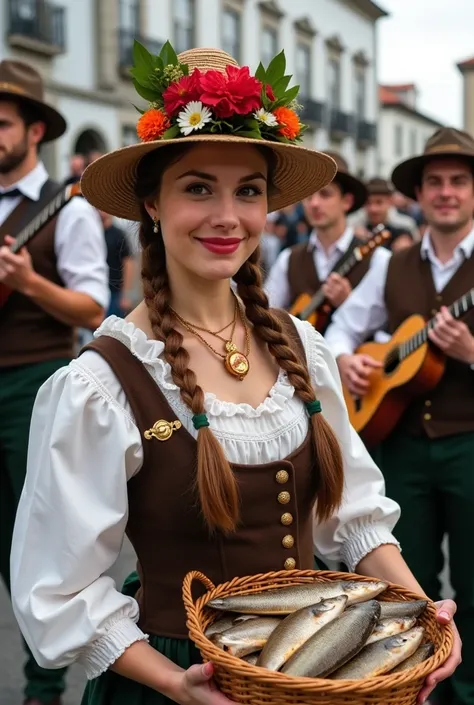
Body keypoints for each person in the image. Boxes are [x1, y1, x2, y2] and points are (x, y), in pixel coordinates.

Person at [10, 44, 459, 705]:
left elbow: (355, 517)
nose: (228, 217)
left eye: (248, 190)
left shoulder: (300, 348)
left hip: (312, 673)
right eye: (198, 187)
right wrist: (175, 682)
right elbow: (59, 588)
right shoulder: (103, 383)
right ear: (152, 206)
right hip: (175, 678)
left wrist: (425, 619)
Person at [325, 126, 474, 705]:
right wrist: (346, 360)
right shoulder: (391, 264)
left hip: (468, 443)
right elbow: (341, 327)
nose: (445, 192)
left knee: (473, 581)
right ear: (418, 193)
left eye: (458, 181)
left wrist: (468, 353)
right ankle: (412, 689)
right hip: (400, 447)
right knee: (404, 586)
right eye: (434, 182)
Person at [0, 59, 109, 705]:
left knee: (36, 538)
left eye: (2, 123)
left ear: (34, 130)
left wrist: (28, 282)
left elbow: (93, 309)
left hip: (33, 383)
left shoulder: (65, 208)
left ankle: (43, 682)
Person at [265, 153, 390, 333]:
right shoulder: (289, 258)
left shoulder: (378, 258)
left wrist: (349, 302)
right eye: (309, 196)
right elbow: (267, 314)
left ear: (347, 201)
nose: (314, 203)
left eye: (325, 194)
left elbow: (387, 328)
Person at [354, 177, 414, 252]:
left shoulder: (405, 225)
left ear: (390, 201)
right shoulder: (355, 226)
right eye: (368, 203)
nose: (373, 209)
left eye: (379, 202)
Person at [98, 209, 136, 317]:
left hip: (115, 292)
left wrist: (126, 295)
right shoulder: (93, 232)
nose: (101, 212)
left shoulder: (118, 235)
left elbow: (129, 263)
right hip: (97, 290)